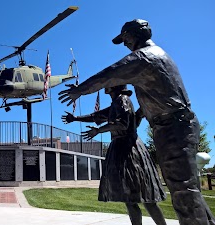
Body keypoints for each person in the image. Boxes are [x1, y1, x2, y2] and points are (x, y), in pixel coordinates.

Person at [58, 19, 215, 225]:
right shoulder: (151, 60)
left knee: (183, 192)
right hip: (171, 126)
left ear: (137, 34)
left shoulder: (144, 58)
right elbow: (103, 114)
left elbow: (109, 74)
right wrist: (77, 118)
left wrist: (80, 90)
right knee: (185, 189)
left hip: (172, 128)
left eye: (125, 38)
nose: (124, 43)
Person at [62, 85, 167, 225]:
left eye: (109, 83)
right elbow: (96, 116)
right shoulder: (116, 103)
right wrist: (75, 118)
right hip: (123, 149)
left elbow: (122, 123)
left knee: (146, 200)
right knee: (131, 200)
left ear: (115, 86)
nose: (105, 86)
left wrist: (99, 131)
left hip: (129, 150)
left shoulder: (122, 99)